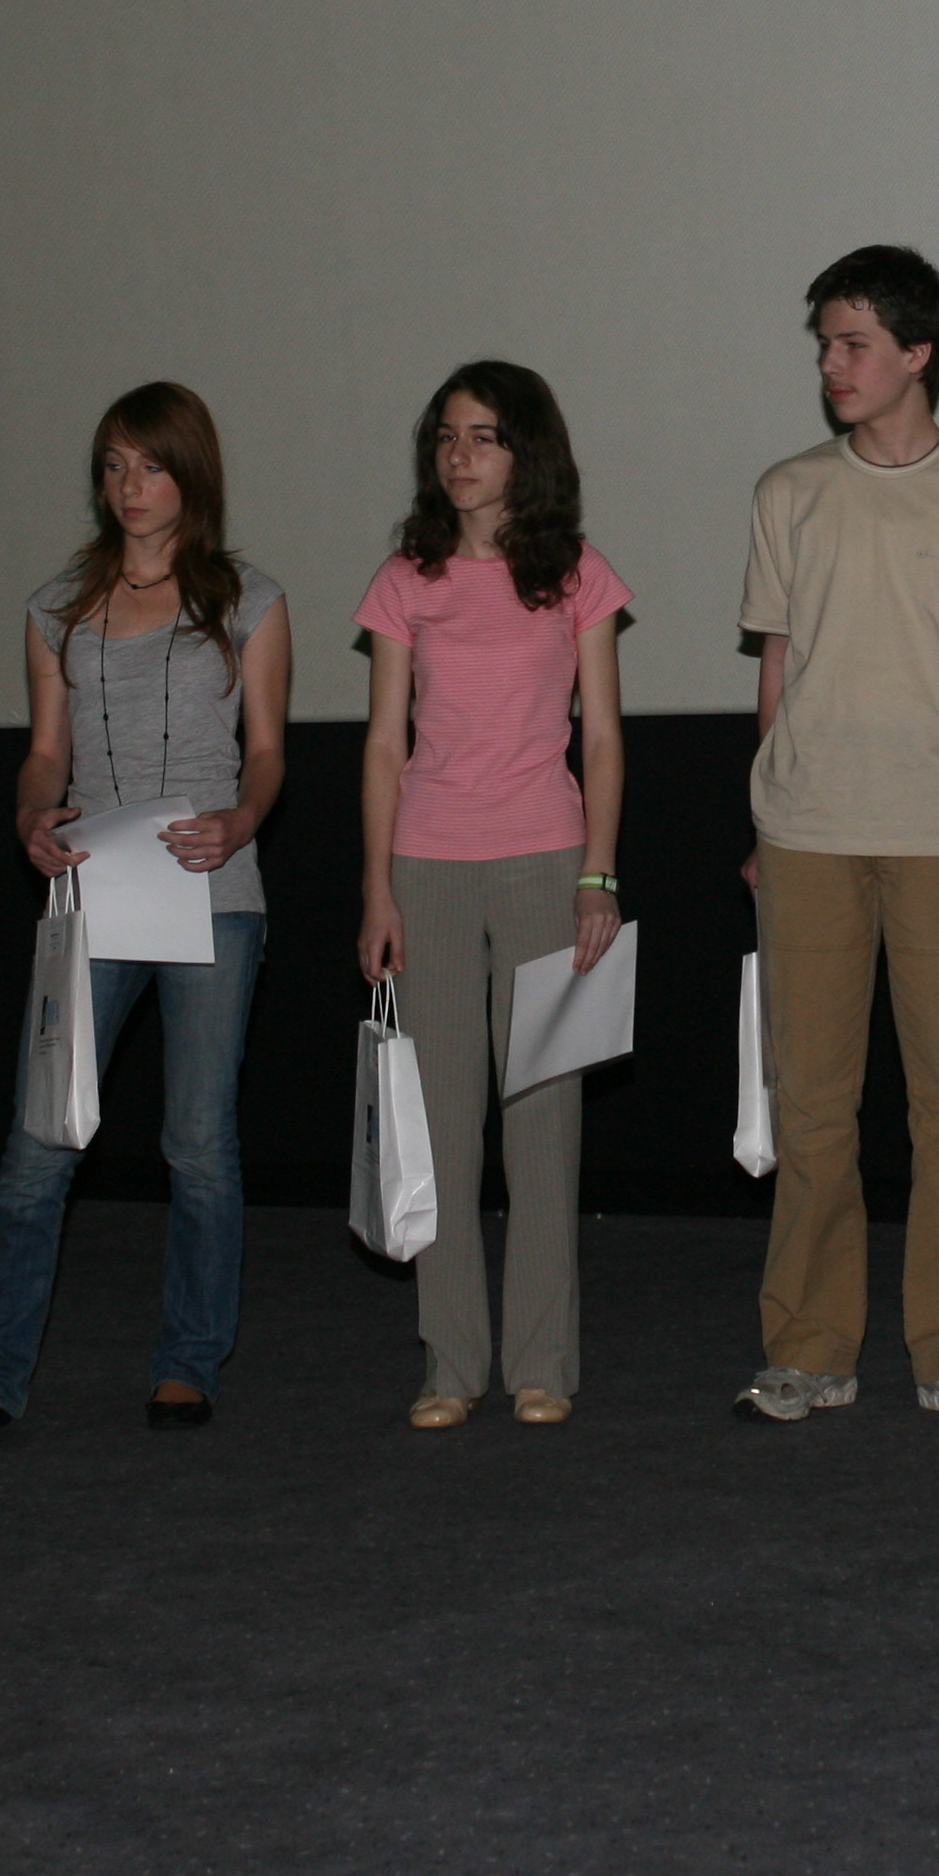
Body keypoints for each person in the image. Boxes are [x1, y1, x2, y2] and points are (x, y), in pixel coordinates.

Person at [0, 382, 291, 1443]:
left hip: (213, 892)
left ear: (192, 474)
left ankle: (189, 1365)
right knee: (40, 1139)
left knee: (199, 1144)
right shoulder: (58, 607)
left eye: (152, 465)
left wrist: (242, 820)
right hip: (95, 886)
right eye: (114, 466)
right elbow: (46, 751)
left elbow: (268, 751)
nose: (131, 486)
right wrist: (30, 813)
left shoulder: (250, 599)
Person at [735, 245, 939, 1427]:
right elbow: (777, 658)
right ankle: (809, 1348)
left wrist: (920, 694)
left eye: (855, 342)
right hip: (808, 829)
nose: (833, 362)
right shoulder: (789, 492)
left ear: (918, 353)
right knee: (814, 1105)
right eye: (825, 342)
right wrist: (768, 812)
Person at [354, 362, 631, 1430]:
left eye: (483, 436)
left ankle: (541, 1361)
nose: (459, 456)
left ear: (528, 452)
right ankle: (451, 1362)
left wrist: (597, 875)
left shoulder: (577, 575)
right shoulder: (405, 580)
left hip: (545, 862)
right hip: (426, 864)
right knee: (440, 1123)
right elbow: (385, 746)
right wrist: (377, 888)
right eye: (446, 436)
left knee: (543, 1124)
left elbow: (601, 740)